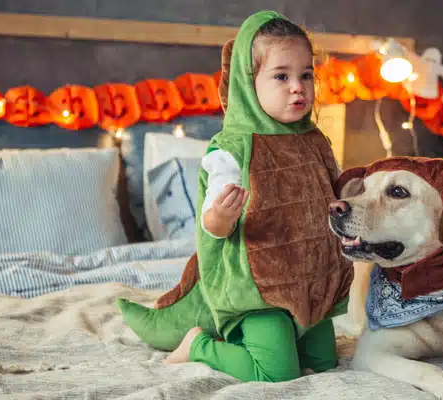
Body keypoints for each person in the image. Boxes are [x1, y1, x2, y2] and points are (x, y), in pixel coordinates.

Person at [118, 10, 354, 383]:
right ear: (249, 82)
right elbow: (210, 227)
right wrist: (222, 217)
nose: (298, 87)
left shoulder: (316, 142)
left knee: (326, 365)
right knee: (276, 374)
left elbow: (331, 196)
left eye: (306, 75)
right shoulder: (232, 150)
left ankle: (287, 336)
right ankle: (198, 345)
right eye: (281, 76)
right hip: (258, 292)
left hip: (310, 286)